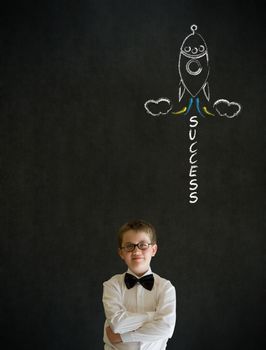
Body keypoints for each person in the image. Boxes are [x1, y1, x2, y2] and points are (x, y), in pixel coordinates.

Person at [102, 220, 176, 349]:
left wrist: (122, 337)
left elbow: (166, 329)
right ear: (121, 253)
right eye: (129, 246)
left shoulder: (165, 287)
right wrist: (153, 316)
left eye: (143, 245)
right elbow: (117, 324)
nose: (136, 251)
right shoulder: (112, 285)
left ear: (153, 250)